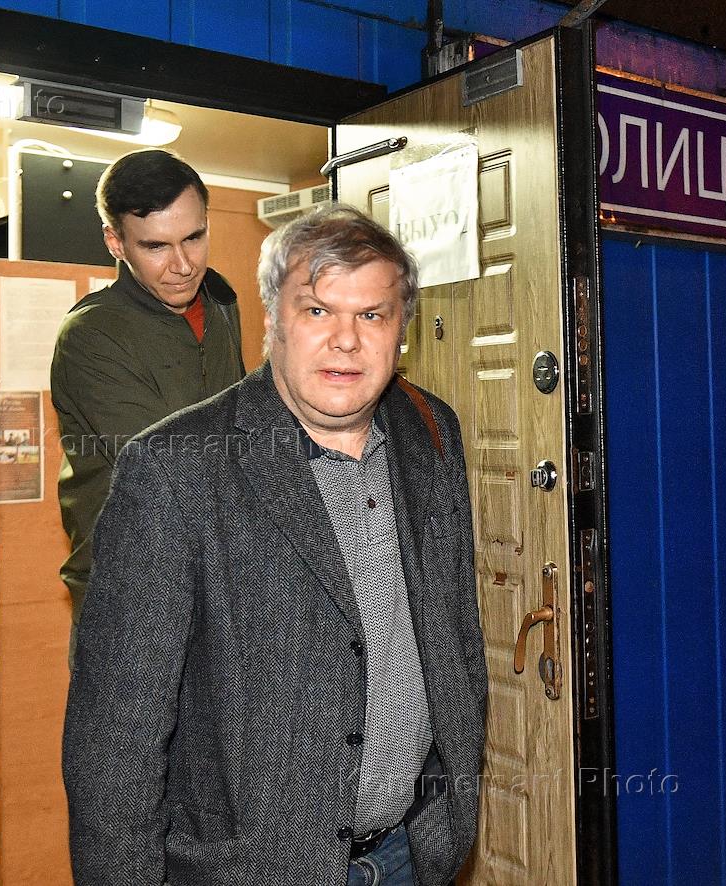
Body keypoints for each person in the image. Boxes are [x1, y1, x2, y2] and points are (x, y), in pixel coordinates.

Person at [63, 205, 486, 886]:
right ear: (272, 320)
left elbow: (456, 632)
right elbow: (116, 746)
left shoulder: (431, 429)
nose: (346, 341)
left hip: (410, 854)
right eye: (317, 310)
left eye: (371, 315)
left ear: (401, 329)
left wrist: (446, 807)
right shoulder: (174, 469)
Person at [50, 150, 246, 653]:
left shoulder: (221, 300)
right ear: (115, 243)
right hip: (131, 598)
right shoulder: (92, 334)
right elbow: (173, 473)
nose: (183, 266)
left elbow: (241, 419)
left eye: (194, 237)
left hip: (225, 590)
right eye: (156, 246)